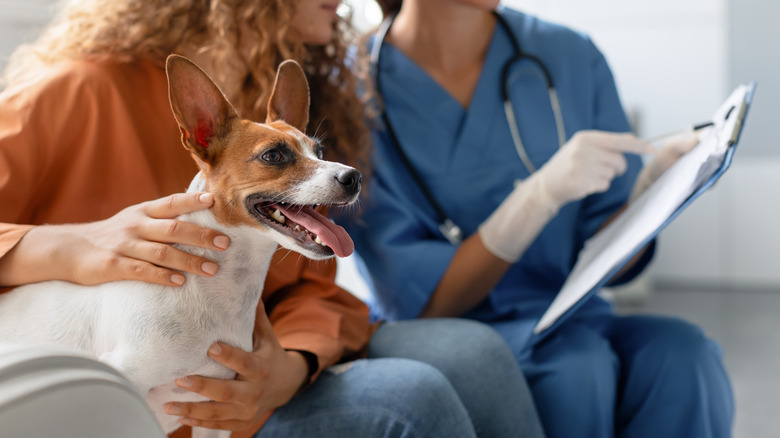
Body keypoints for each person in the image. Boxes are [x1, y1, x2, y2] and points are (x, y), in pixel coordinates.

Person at [0, 0, 547, 437]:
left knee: (478, 354)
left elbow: (314, 287)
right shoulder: (76, 91)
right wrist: (69, 247)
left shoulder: (279, 123)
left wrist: (295, 364)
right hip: (136, 385)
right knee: (411, 397)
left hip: (256, 366)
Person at [341, 0, 735, 437]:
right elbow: (424, 303)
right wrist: (538, 198)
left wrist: (654, 195)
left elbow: (613, 264)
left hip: (570, 316)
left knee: (683, 356)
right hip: (451, 329)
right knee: (573, 369)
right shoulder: (352, 90)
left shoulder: (569, 55)